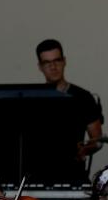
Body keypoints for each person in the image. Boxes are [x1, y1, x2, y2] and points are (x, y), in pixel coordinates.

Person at [35, 39, 103, 180]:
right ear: (40, 67)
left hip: (72, 172)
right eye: (47, 63)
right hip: (39, 172)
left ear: (64, 61)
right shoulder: (34, 98)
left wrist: (84, 149)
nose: (53, 66)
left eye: (57, 60)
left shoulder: (83, 97)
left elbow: (97, 139)